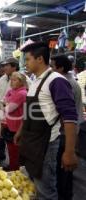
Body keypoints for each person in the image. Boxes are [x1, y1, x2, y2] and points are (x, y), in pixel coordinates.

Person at [14, 42, 78, 200]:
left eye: (28, 59)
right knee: (33, 185)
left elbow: (70, 117)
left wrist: (69, 152)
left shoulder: (57, 81)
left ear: (40, 59)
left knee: (45, 190)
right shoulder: (35, 81)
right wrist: (21, 131)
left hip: (47, 145)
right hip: (32, 141)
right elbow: (30, 112)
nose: (25, 63)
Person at [51, 54, 84, 200]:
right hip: (68, 130)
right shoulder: (68, 81)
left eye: (52, 66)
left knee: (64, 167)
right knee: (65, 170)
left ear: (61, 68)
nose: (50, 69)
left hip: (66, 133)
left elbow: (67, 115)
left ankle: (63, 195)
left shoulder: (65, 84)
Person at [0, 58, 21, 160]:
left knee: (12, 139)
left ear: (14, 67)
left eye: (7, 65)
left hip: (14, 115)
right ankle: (0, 153)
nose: (4, 67)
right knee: (1, 134)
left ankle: (15, 163)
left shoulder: (22, 79)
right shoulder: (2, 78)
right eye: (4, 66)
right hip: (1, 111)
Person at [2, 72, 27, 171]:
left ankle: (14, 170)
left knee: (15, 151)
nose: (11, 82)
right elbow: (3, 100)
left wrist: (5, 102)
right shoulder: (13, 91)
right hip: (10, 125)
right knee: (11, 150)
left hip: (16, 127)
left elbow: (8, 108)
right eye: (11, 80)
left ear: (21, 82)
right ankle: (12, 167)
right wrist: (6, 102)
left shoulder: (21, 93)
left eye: (15, 80)